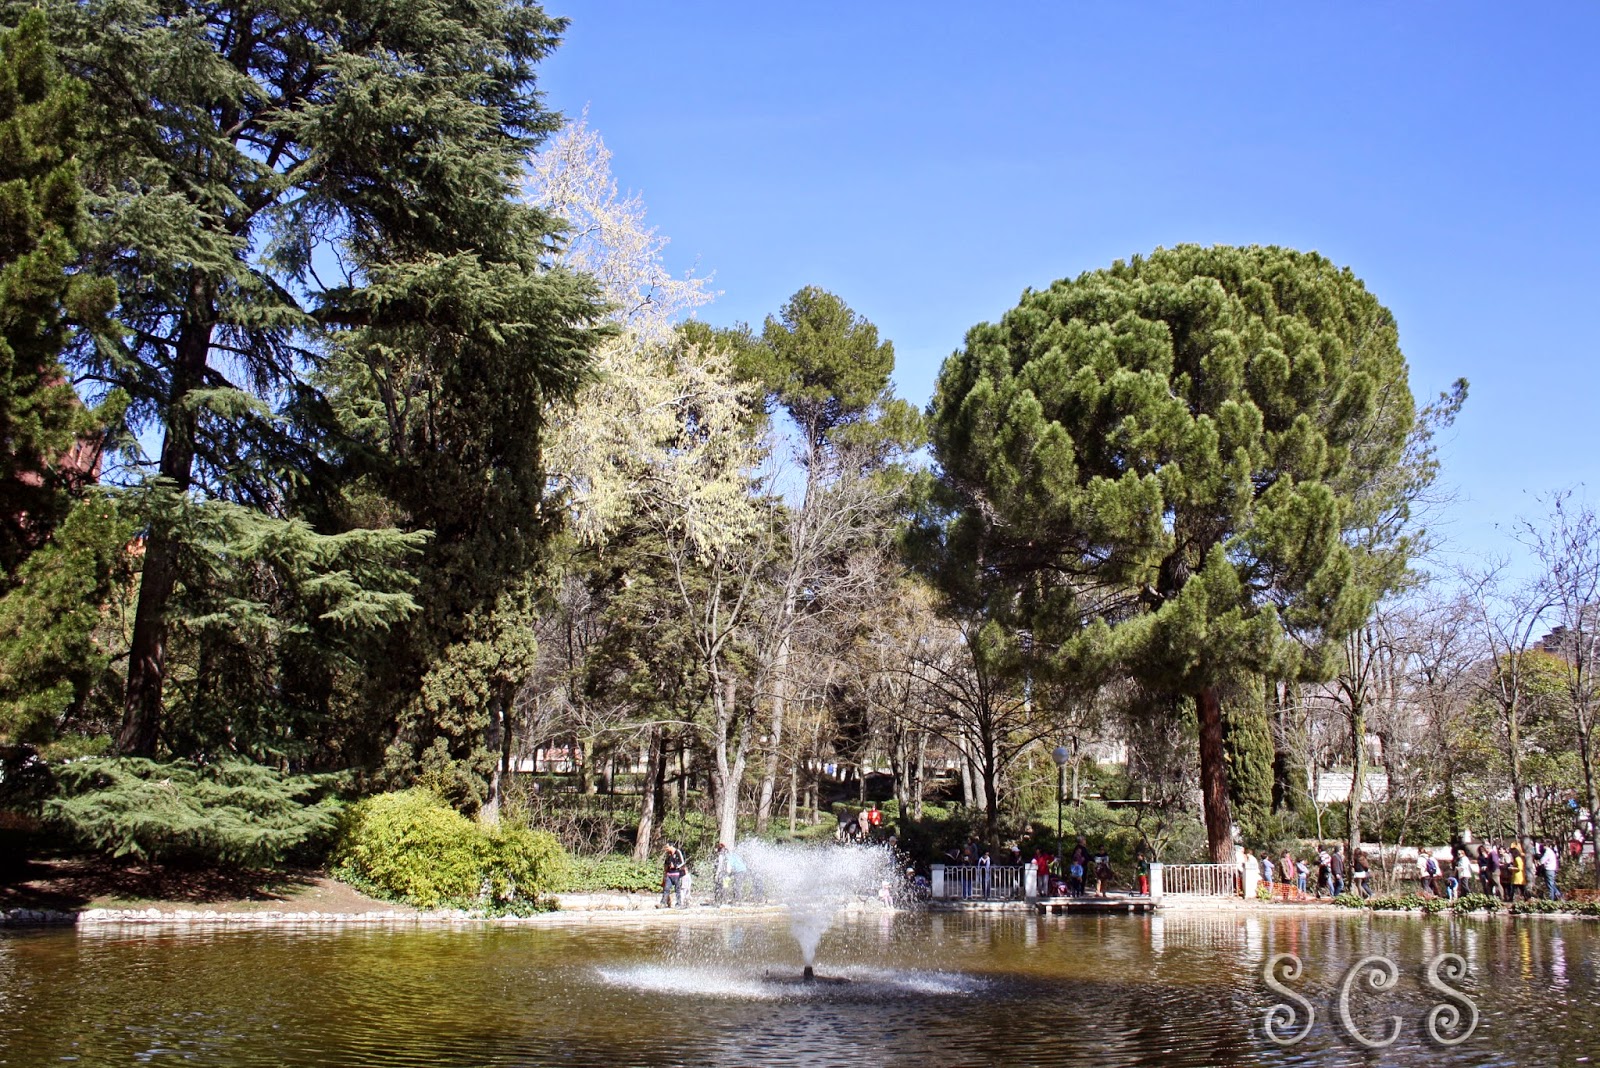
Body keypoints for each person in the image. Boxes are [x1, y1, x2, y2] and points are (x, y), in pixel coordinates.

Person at [660, 842, 688, 908]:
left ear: (671, 846)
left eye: (667, 847)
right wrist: (665, 872)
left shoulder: (678, 852)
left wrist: (675, 866)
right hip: (669, 874)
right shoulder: (668, 854)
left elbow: (683, 862)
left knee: (677, 890)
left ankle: (679, 903)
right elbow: (666, 863)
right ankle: (663, 903)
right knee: (666, 889)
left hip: (677, 874)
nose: (666, 848)